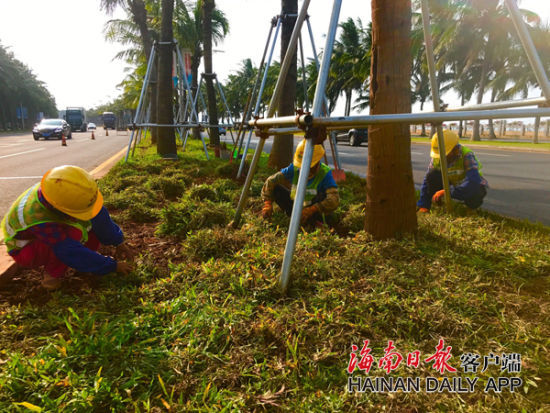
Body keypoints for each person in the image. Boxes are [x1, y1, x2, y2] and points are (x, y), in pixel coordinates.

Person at [1, 165, 134, 290]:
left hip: (44, 237)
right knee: (73, 234)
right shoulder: (38, 219)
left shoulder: (60, 190)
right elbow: (68, 249)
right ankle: (52, 276)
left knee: (85, 222)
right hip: (24, 249)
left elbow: (98, 215)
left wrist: (118, 242)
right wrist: (111, 266)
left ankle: (86, 263)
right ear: (59, 208)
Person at [261, 140, 340, 225]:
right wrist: (267, 204)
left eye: (309, 167)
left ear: (317, 162)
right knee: (277, 189)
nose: (304, 169)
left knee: (324, 199)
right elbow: (271, 181)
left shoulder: (325, 172)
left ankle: (315, 222)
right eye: (301, 165)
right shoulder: (294, 168)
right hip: (294, 206)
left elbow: (334, 199)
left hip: (315, 210)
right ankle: (296, 217)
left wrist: (311, 210)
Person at [417, 130, 488, 212]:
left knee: (478, 189)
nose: (442, 157)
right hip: (450, 182)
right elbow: (427, 181)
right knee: (432, 175)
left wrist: (447, 192)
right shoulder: (437, 157)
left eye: (446, 154)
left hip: (467, 183)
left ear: (456, 149)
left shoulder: (467, 155)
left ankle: (471, 208)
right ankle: (440, 204)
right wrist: (423, 205)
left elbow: (473, 181)